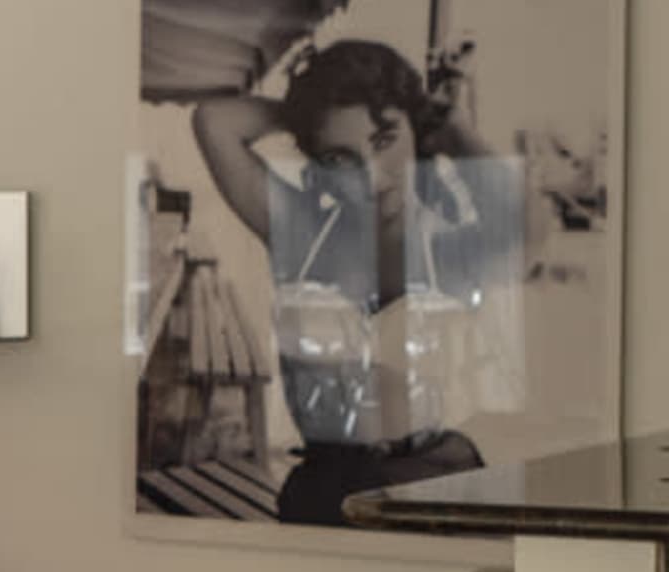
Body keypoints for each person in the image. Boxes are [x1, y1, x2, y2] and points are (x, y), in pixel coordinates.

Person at [188, 36, 510, 524]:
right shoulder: (299, 232)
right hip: (327, 486)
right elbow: (214, 120)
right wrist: (307, 114)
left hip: (435, 477)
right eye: (340, 157)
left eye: (384, 143)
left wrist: (445, 120)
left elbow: (512, 212)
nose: (373, 177)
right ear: (316, 161)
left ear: (415, 136)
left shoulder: (446, 243)